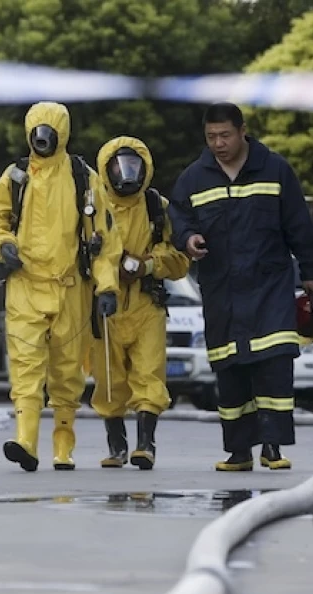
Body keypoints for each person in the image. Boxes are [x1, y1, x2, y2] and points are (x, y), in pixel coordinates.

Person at [168, 102, 313, 472]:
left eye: (224, 135)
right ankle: (239, 452)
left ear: (242, 131)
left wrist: (311, 272)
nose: (218, 143)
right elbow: (178, 218)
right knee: (230, 368)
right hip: (222, 290)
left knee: (273, 363)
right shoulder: (194, 178)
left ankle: (272, 446)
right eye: (211, 137)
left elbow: (298, 224)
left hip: (269, 285)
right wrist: (188, 239)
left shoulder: (275, 170)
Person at [0, 101, 122, 472]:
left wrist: (107, 288)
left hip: (70, 288)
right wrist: (3, 246)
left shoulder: (82, 177)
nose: (43, 139)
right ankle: (26, 440)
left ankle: (63, 445)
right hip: (24, 285)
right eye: (37, 132)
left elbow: (104, 240)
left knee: (66, 371)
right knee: (25, 368)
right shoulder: (14, 177)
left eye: (50, 132)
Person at [92, 136, 191, 470]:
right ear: (106, 169)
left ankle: (145, 445)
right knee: (109, 378)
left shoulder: (156, 208)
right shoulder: (91, 206)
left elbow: (179, 257)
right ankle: (116, 446)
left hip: (146, 304)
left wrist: (147, 265)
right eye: (120, 166)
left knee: (149, 373)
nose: (126, 174)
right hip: (104, 306)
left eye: (134, 166)